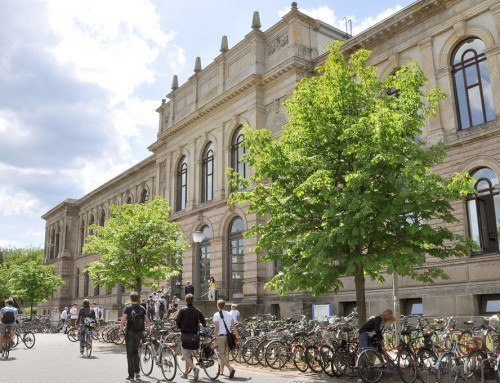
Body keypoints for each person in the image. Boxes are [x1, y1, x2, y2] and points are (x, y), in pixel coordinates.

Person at [119, 291, 152, 380]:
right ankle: (137, 373)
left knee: (129, 354)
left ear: (130, 298)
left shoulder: (127, 308)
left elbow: (123, 321)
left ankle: (131, 375)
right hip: (139, 332)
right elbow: (147, 320)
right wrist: (149, 328)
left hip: (130, 332)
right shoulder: (142, 308)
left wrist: (120, 331)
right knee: (136, 352)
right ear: (138, 299)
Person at [357, 309, 396, 383]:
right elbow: (377, 330)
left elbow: (376, 333)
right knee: (363, 356)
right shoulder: (379, 319)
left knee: (371, 356)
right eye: (389, 318)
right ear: (387, 316)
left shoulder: (382, 322)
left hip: (369, 337)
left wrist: (379, 342)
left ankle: (369, 376)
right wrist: (381, 338)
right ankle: (359, 378)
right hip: (364, 335)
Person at [176, 293, 206, 381]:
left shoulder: (182, 310)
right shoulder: (197, 310)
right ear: (193, 301)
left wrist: (180, 327)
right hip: (195, 336)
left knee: (185, 355)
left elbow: (178, 322)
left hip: (185, 335)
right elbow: (203, 322)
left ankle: (194, 368)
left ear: (185, 300)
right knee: (188, 355)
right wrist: (203, 326)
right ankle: (185, 373)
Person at [214, 299, 240, 378]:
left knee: (220, 354)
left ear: (217, 306)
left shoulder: (216, 315)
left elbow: (217, 327)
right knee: (224, 355)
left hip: (220, 336)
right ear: (224, 306)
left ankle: (230, 368)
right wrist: (237, 335)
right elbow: (233, 326)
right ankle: (221, 371)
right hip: (228, 337)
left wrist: (214, 335)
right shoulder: (229, 314)